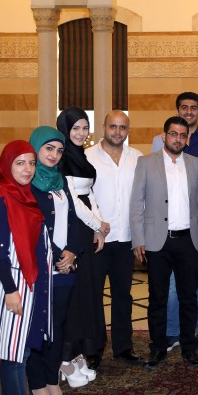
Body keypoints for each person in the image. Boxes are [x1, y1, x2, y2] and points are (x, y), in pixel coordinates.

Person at [0, 141, 52, 395]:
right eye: (20, 163)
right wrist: (10, 290)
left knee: (22, 350)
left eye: (31, 163)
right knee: (13, 354)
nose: (27, 169)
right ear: (7, 166)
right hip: (10, 284)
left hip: (28, 283)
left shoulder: (26, 197)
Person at [131, 116, 198, 370]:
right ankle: (157, 348)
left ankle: (189, 348)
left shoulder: (196, 164)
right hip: (157, 242)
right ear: (164, 136)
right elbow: (136, 204)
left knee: (189, 297)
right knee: (158, 298)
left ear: (187, 139)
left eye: (182, 135)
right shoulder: (146, 163)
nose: (178, 139)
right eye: (173, 134)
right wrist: (138, 239)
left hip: (188, 240)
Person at [150, 92, 198, 352]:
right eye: (184, 107)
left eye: (193, 108)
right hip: (168, 228)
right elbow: (154, 186)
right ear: (177, 109)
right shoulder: (158, 142)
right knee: (170, 285)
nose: (189, 111)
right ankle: (172, 331)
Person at [27, 126, 91, 395]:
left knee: (58, 327)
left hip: (66, 267)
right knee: (39, 328)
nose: (54, 155)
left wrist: (73, 251)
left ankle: (52, 379)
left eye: (59, 150)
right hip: (41, 268)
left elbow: (74, 219)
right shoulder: (27, 182)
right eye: (48, 148)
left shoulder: (61, 181)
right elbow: (31, 227)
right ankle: (37, 384)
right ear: (36, 148)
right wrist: (57, 256)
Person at [84, 110, 144, 365]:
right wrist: (94, 226)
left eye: (122, 127)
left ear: (128, 130)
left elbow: (142, 198)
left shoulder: (137, 158)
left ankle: (123, 347)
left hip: (126, 239)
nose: (117, 132)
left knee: (123, 295)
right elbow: (81, 198)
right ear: (103, 127)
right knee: (93, 296)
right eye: (113, 126)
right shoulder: (87, 157)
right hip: (96, 240)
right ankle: (94, 349)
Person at [56, 108, 113, 370]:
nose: (81, 133)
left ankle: (90, 346)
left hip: (88, 227)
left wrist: (100, 229)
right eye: (75, 128)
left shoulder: (81, 156)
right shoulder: (62, 157)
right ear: (65, 129)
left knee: (90, 288)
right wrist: (96, 224)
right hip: (73, 227)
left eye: (85, 127)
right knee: (76, 291)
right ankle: (71, 350)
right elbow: (72, 200)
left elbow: (90, 194)